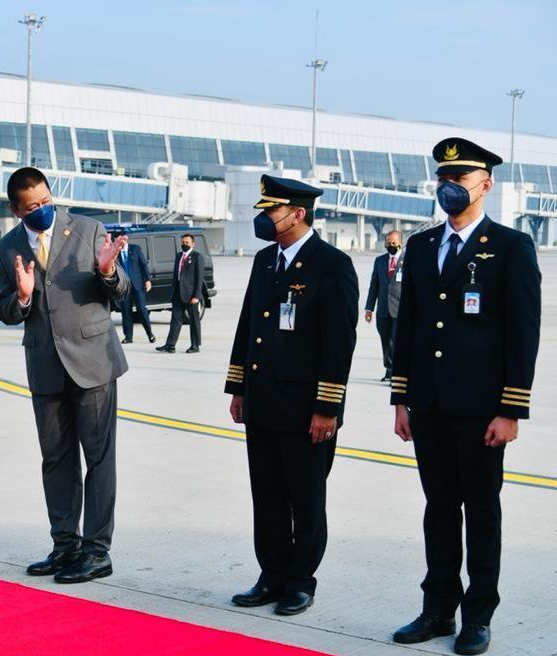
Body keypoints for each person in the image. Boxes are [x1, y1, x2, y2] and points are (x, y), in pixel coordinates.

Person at [390, 138, 541, 656]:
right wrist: (402, 398)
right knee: (437, 510)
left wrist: (511, 408)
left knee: (481, 512)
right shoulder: (423, 245)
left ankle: (477, 615)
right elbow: (408, 326)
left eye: (461, 178)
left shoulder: (510, 247)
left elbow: (524, 333)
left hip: (481, 411)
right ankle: (437, 609)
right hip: (429, 406)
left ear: (486, 184)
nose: (449, 187)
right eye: (443, 178)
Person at [225, 174, 358, 616]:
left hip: (305, 411)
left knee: (305, 498)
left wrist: (327, 408)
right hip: (262, 403)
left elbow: (339, 344)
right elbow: (249, 327)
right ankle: (272, 573)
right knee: (266, 495)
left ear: (297, 214)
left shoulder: (331, 264)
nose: (264, 218)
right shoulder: (264, 261)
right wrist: (238, 387)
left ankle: (301, 579)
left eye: (271, 210)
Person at [0, 167, 129, 584]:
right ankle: (64, 544)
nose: (42, 211)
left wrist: (108, 271)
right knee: (56, 460)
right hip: (46, 366)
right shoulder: (7, 248)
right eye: (32, 207)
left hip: (93, 362)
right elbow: (5, 311)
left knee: (99, 459)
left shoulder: (88, 230)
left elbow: (120, 292)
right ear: (17, 210)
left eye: (46, 202)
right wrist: (21, 296)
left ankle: (96, 550)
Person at [364, 230, 405, 381]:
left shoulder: (407, 260)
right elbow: (373, 286)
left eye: (393, 243)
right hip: (382, 309)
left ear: (401, 243)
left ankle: (396, 373)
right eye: (388, 243)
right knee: (385, 340)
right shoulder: (379, 261)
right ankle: (388, 369)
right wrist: (369, 308)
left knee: (396, 340)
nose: (390, 246)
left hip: (400, 309)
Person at [155, 233, 206, 353]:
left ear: (193, 244)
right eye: (183, 243)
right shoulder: (179, 256)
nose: (185, 245)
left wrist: (197, 296)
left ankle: (195, 345)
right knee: (175, 319)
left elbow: (199, 278)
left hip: (191, 294)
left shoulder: (197, 257)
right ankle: (170, 345)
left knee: (194, 320)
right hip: (178, 292)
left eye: (187, 243)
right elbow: (176, 274)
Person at [117, 233, 155, 344]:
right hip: (124, 287)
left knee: (141, 309)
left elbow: (144, 265)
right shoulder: (115, 253)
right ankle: (128, 336)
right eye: (117, 240)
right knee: (126, 311)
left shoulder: (135, 249)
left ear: (126, 239)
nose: (120, 242)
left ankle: (150, 334)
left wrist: (148, 280)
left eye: (121, 239)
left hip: (137, 285)